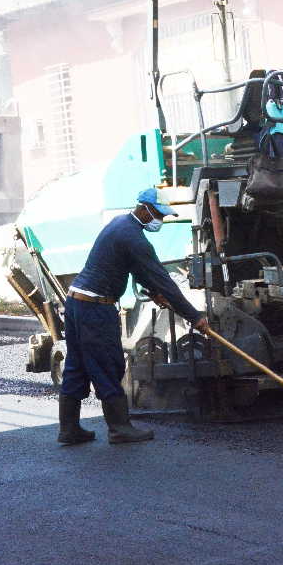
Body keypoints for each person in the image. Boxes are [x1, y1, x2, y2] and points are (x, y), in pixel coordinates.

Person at [57, 187, 209, 445]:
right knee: (109, 363)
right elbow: (163, 279)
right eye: (158, 215)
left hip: (76, 302)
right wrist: (194, 316)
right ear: (144, 208)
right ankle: (120, 428)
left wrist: (152, 291)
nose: (160, 220)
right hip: (95, 306)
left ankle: (69, 429)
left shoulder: (119, 225)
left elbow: (135, 268)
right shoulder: (133, 238)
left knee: (77, 364)